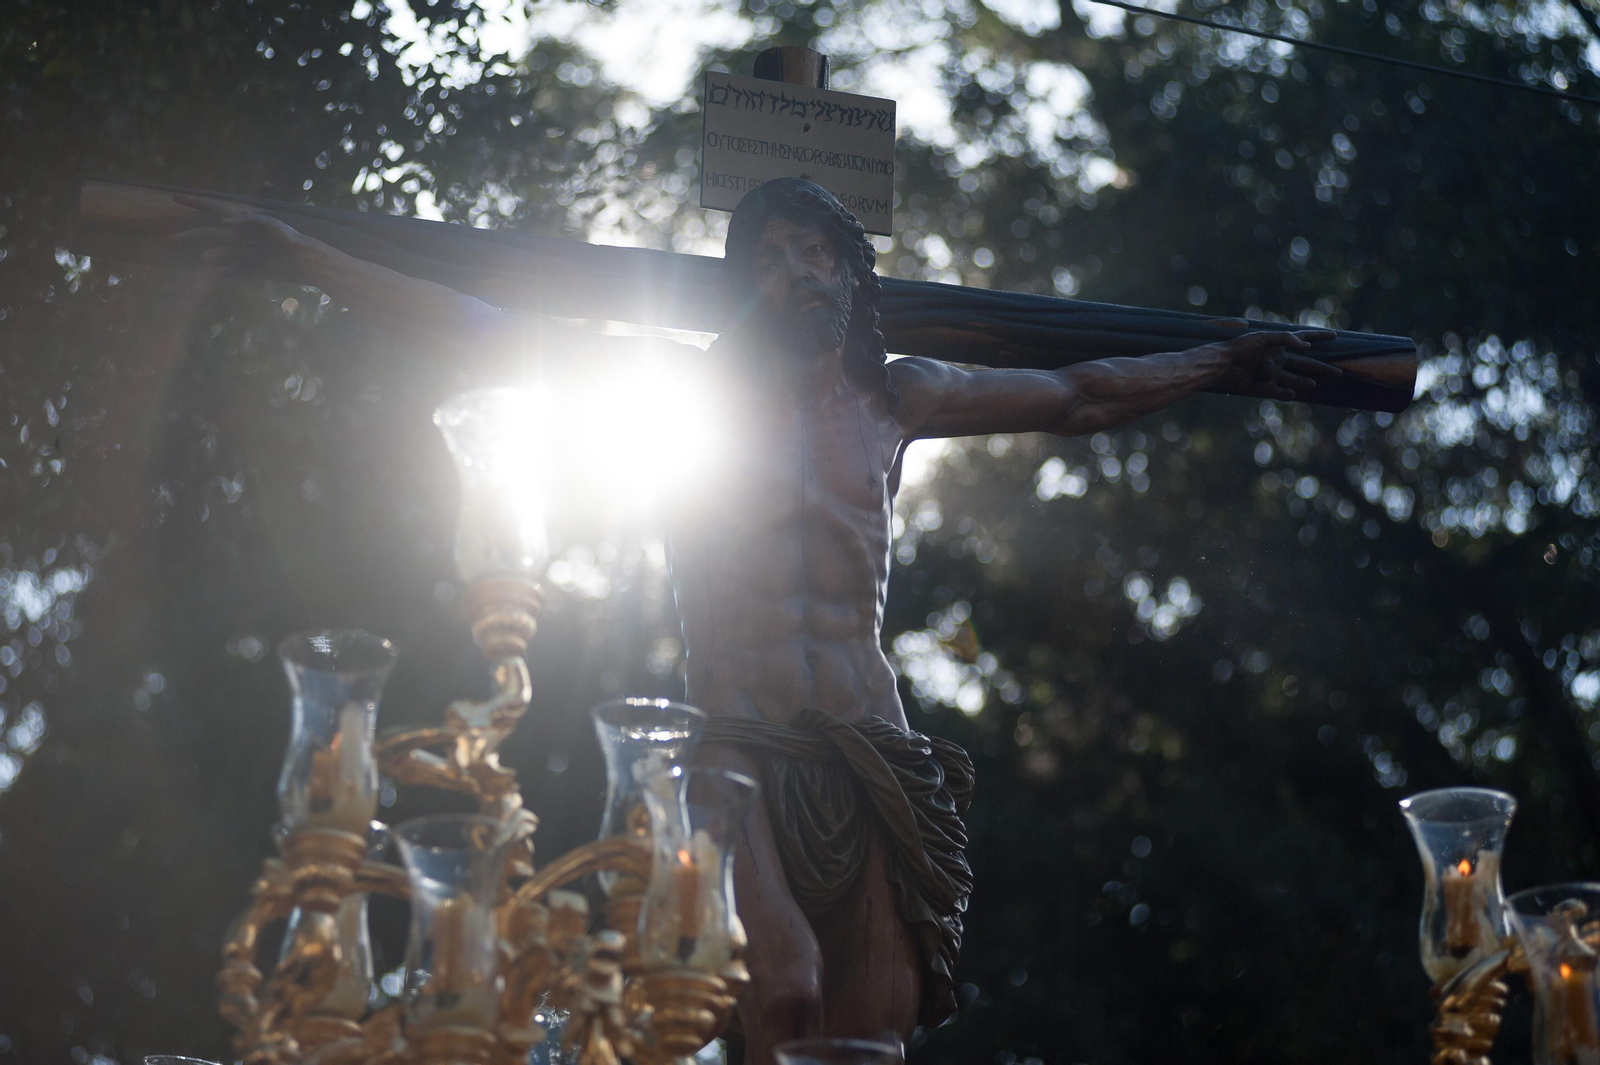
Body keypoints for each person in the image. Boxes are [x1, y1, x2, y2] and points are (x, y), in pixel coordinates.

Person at [172, 178, 1338, 1063]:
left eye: (820, 253)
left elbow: (1082, 396)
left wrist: (1225, 356)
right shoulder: (686, 396)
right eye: (775, 257)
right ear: (747, 290)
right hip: (731, 753)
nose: (801, 272)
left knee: (871, 1041)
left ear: (852, 277)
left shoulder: (897, 399)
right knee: (774, 1000)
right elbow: (489, 326)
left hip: (875, 753)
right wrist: (304, 256)